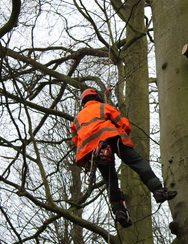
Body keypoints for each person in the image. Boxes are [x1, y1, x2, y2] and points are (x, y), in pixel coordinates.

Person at [70, 88, 177, 228]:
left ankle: (119, 212)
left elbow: (75, 140)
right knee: (137, 162)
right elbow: (124, 123)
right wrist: (122, 134)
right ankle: (158, 190)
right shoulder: (104, 107)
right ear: (97, 96)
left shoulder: (76, 120)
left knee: (110, 181)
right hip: (112, 138)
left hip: (93, 151)